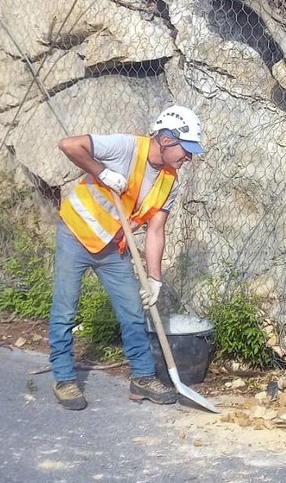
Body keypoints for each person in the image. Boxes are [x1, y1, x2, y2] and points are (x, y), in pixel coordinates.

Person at [48, 105, 204, 410]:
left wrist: (155, 278)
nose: (189, 157)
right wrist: (102, 171)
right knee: (66, 309)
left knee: (133, 311)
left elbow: (156, 230)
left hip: (113, 247)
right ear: (167, 140)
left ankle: (142, 378)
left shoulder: (170, 180)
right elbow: (69, 145)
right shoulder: (126, 147)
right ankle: (65, 380)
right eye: (186, 149)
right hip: (75, 234)